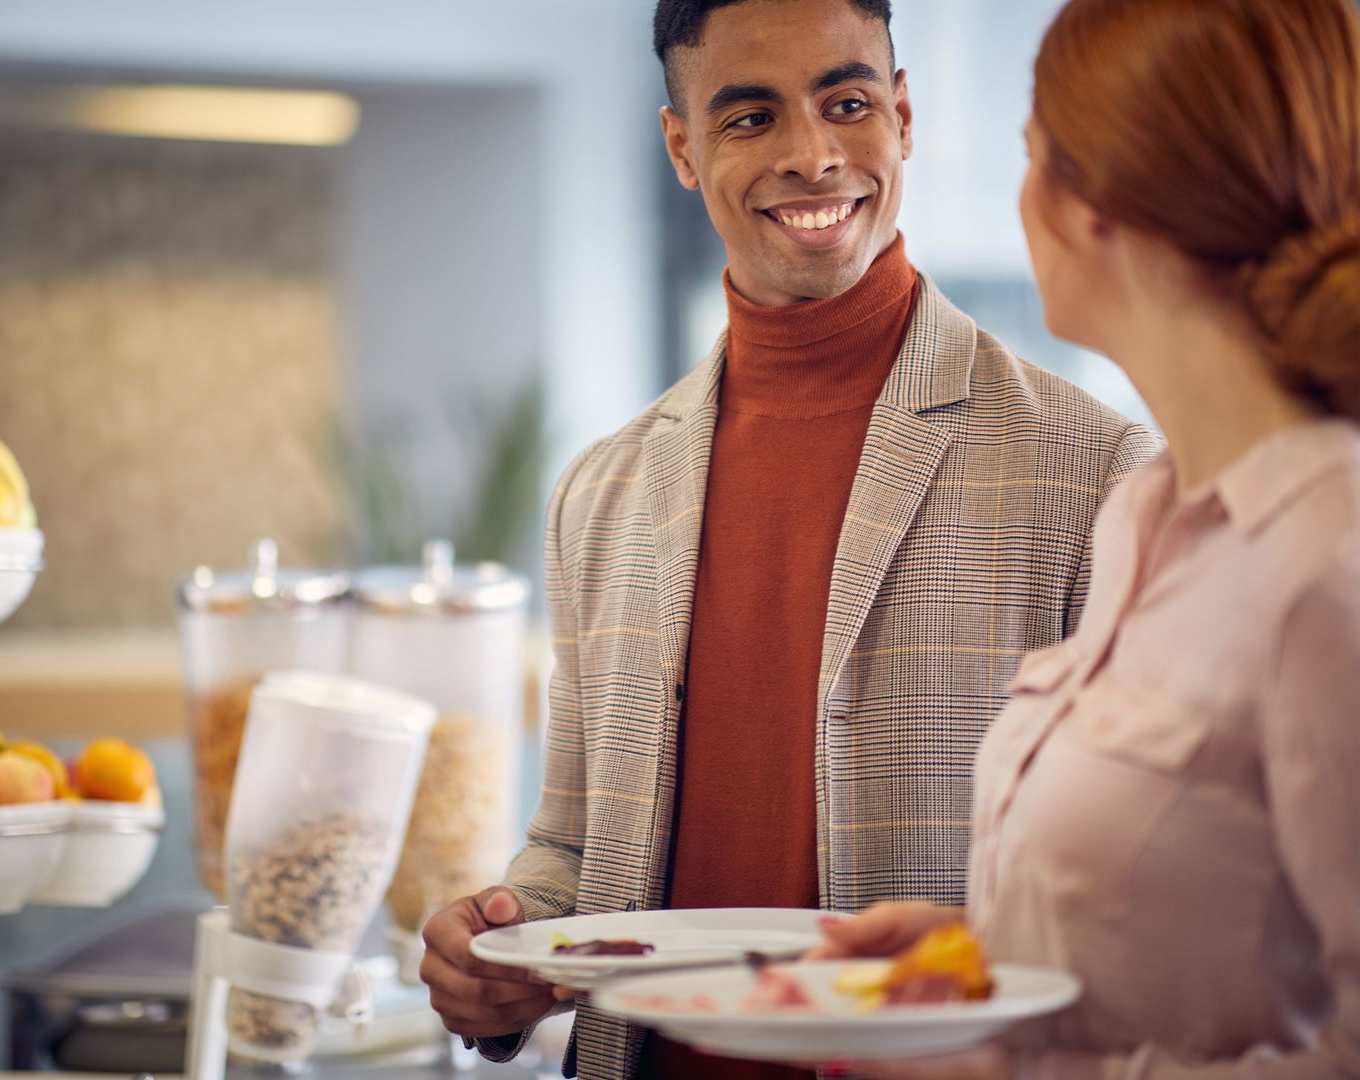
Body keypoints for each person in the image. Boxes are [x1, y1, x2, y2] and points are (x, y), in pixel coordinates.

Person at [421, 1, 1161, 1077]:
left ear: (903, 114)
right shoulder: (603, 490)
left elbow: (1141, 884)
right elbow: (581, 848)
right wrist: (498, 947)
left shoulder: (1092, 466)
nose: (813, 157)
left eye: (848, 104)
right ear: (683, 147)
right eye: (750, 118)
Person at [810, 1, 1360, 1079]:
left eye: (1031, 157)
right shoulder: (1143, 521)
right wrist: (991, 966)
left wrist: (1017, 1069)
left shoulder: (1322, 567)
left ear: (1096, 202)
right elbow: (1211, 924)